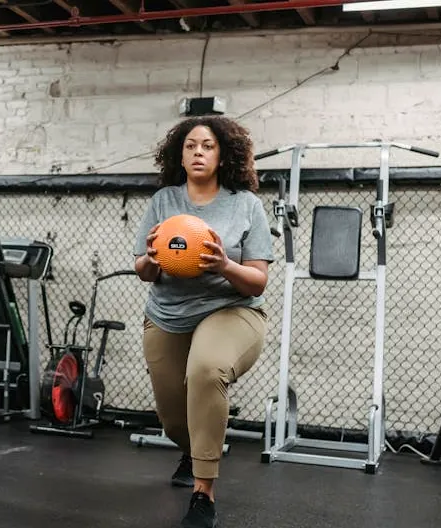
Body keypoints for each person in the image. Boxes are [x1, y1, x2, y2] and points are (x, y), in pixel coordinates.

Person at [133, 116, 274, 528]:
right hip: (168, 315)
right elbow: (143, 270)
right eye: (191, 145)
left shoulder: (246, 204)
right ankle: (192, 449)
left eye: (207, 146)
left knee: (206, 370)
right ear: (180, 153)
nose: (198, 152)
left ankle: (203, 492)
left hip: (231, 310)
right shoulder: (164, 201)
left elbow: (257, 280)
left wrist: (225, 264)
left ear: (223, 154)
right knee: (174, 418)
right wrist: (151, 260)